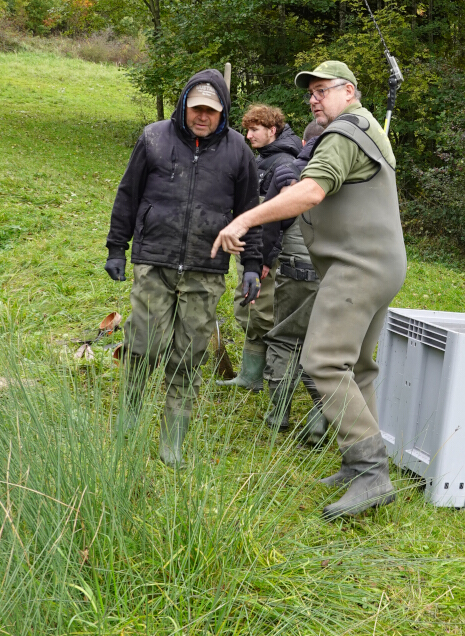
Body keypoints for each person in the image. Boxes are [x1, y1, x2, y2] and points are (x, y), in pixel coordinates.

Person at [211, 60, 407, 519]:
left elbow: (311, 192)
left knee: (322, 361)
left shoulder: (344, 133)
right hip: (381, 263)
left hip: (357, 265)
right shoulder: (365, 127)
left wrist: (244, 219)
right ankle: (358, 467)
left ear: (349, 91)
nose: (314, 100)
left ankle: (372, 474)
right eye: (311, 93)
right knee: (358, 367)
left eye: (323, 90)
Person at [105, 69, 264, 465]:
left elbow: (250, 211)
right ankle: (128, 421)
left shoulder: (239, 150)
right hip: (154, 261)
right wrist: (116, 248)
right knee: (143, 345)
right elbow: (128, 194)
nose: (202, 116)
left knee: (188, 355)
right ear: (184, 106)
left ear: (223, 111)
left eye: (211, 110)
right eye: (196, 108)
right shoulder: (153, 138)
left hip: (206, 268)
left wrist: (251, 264)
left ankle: (172, 442)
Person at [222, 104, 302, 391]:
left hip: (267, 253)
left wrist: (265, 258)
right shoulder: (265, 157)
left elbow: (283, 216)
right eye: (247, 130)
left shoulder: (283, 162)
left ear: (273, 130)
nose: (248, 136)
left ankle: (272, 378)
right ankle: (250, 375)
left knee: (261, 311)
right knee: (250, 308)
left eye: (255, 129)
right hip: (252, 248)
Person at [263, 120, 326, 440]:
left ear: (304, 143)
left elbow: (270, 222)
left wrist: (262, 261)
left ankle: (278, 415)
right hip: (334, 276)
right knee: (324, 347)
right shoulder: (349, 173)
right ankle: (319, 420)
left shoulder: (290, 171)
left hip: (294, 271)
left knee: (285, 340)